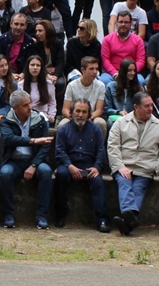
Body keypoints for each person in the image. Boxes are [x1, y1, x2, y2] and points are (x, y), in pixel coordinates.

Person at [107, 92, 159, 236]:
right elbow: (112, 146)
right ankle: (131, 218)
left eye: (151, 105)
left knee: (138, 188)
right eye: (146, 106)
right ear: (136, 107)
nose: (150, 109)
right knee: (125, 184)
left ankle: (127, 221)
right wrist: (120, 166)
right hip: (124, 166)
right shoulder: (121, 123)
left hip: (145, 168)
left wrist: (156, 167)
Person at [0, 89, 54, 229]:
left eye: (29, 103)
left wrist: (34, 165)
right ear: (15, 108)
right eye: (25, 105)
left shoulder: (39, 119)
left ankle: (42, 215)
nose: (30, 107)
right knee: (4, 174)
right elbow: (9, 139)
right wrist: (33, 141)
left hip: (34, 160)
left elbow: (46, 145)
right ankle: (8, 214)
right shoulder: (6, 120)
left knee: (46, 172)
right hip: (14, 161)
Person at [51, 98, 109, 232]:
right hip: (68, 164)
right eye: (77, 111)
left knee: (98, 181)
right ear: (72, 112)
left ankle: (102, 220)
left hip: (89, 165)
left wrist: (97, 167)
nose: (80, 115)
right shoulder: (63, 129)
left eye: (84, 112)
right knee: (61, 175)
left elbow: (101, 151)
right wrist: (70, 166)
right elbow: (59, 152)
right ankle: (60, 214)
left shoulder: (95, 129)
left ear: (89, 114)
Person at [100, 11, 146, 84]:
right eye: (121, 22)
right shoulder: (107, 39)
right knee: (103, 81)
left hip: (132, 73)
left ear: (130, 24)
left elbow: (141, 60)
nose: (123, 24)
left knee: (141, 81)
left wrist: (131, 72)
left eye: (126, 22)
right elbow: (105, 60)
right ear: (116, 23)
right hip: (111, 73)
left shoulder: (138, 40)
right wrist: (115, 73)